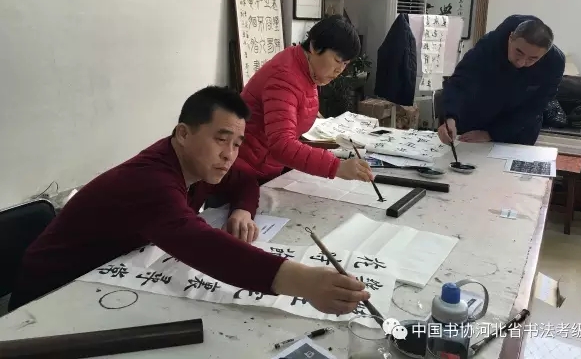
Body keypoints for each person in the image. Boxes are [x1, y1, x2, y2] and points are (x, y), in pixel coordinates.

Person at [8, 86, 369, 314]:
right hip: (51, 296)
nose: (229, 154)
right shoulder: (152, 180)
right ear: (183, 133)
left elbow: (245, 180)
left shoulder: (200, 164)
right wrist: (304, 282)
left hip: (112, 275)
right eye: (220, 139)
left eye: (237, 144)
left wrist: (243, 210)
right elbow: (201, 244)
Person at [226, 16, 374, 242]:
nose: (339, 70)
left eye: (345, 64)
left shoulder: (307, 70)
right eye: (337, 60)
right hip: (241, 178)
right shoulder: (285, 76)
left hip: (266, 172)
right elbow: (281, 144)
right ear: (314, 47)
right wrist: (337, 167)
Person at [437, 15, 565, 146]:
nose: (521, 63)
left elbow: (535, 107)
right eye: (519, 52)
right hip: (477, 117)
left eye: (532, 59)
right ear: (510, 38)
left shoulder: (555, 62)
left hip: (517, 128)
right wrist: (450, 116)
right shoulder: (489, 45)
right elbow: (460, 82)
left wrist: (491, 134)